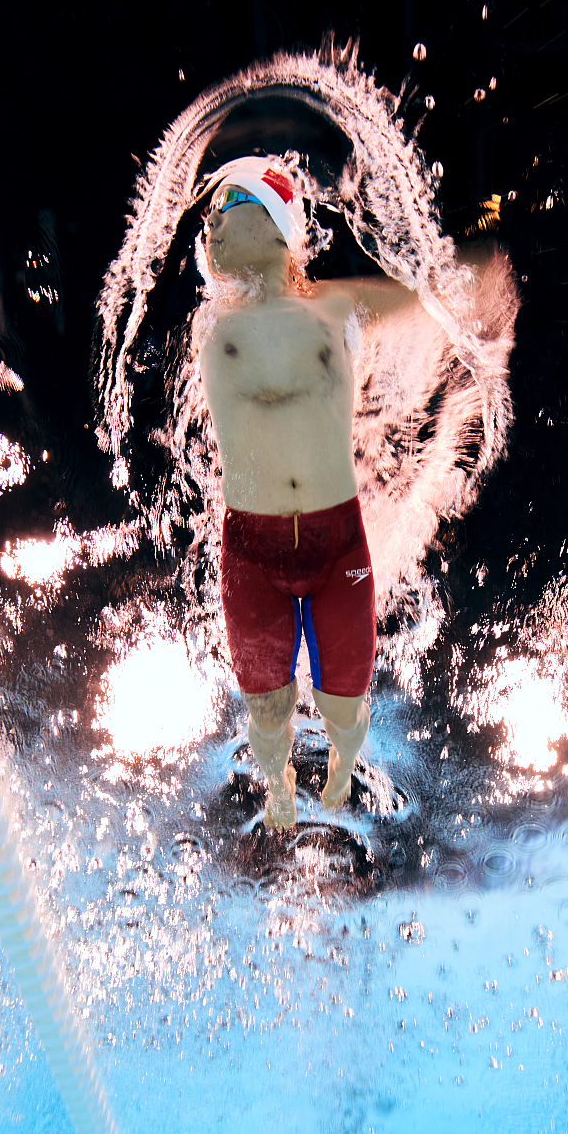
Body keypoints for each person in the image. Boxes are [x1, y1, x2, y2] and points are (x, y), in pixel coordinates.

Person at [199, 155, 434, 827]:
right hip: (251, 548)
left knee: (346, 702)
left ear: (277, 226)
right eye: (209, 217)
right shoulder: (214, 326)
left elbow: (426, 300)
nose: (210, 226)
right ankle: (276, 783)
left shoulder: (335, 309)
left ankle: (340, 758)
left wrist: (474, 277)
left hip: (339, 544)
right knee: (266, 710)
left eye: (225, 207)